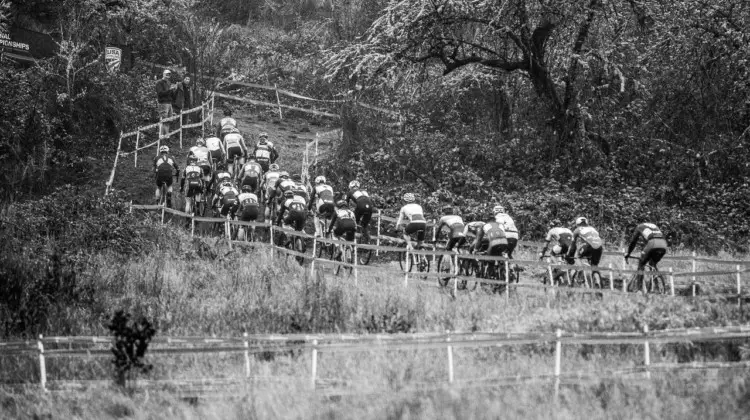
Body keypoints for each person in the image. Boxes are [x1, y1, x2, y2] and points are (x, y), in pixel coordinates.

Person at [624, 222, 668, 288]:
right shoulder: (652, 225)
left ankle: (639, 288)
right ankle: (657, 286)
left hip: (653, 243)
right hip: (664, 244)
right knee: (652, 263)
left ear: (633, 227)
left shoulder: (638, 227)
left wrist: (628, 253)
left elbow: (633, 242)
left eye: (631, 231)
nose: (631, 232)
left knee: (641, 264)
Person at [155, 69, 174, 138]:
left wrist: (173, 90)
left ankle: (166, 136)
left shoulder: (168, 83)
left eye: (169, 74)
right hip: (163, 103)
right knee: (163, 120)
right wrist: (170, 90)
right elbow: (160, 93)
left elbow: (170, 94)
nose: (168, 75)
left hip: (169, 103)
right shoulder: (159, 82)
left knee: (168, 120)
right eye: (166, 74)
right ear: (163, 74)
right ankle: (161, 135)